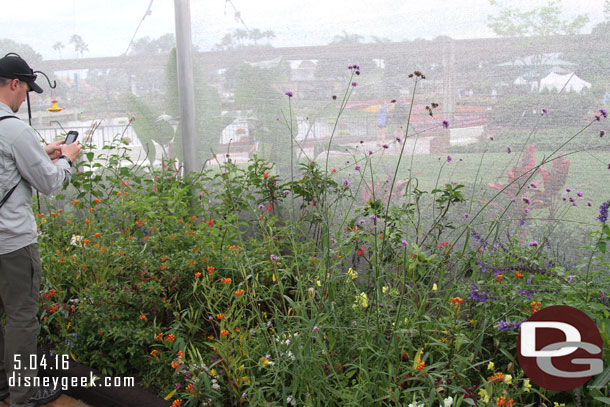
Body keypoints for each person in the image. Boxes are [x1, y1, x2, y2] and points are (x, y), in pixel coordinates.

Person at [0, 53, 82, 407]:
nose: (26, 99)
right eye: (26, 90)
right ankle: (21, 396)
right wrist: (66, 158)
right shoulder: (14, 128)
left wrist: (41, 149)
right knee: (21, 319)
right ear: (14, 84)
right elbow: (49, 183)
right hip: (12, 243)